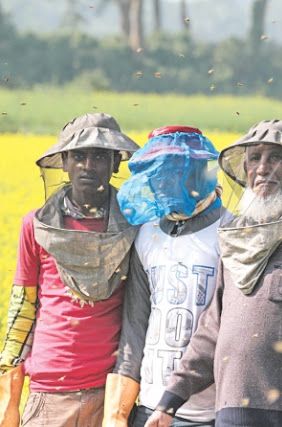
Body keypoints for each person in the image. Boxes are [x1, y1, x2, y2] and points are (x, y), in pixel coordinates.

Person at [144, 119, 282, 427]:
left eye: (276, 157)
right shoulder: (237, 233)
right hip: (230, 414)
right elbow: (212, 329)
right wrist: (169, 402)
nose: (263, 168)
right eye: (254, 158)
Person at [0, 113, 139, 427]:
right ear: (64, 161)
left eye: (100, 156)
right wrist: (8, 383)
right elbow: (23, 306)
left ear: (116, 164)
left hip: (112, 392)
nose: (88, 165)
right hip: (50, 391)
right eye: (79, 155)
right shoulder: (35, 225)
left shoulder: (134, 226)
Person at [102, 126, 231, 427]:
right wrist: (118, 411)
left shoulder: (230, 231)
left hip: (208, 411)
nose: (166, 183)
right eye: (159, 174)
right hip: (149, 406)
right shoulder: (146, 234)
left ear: (200, 172)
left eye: (176, 172)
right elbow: (135, 324)